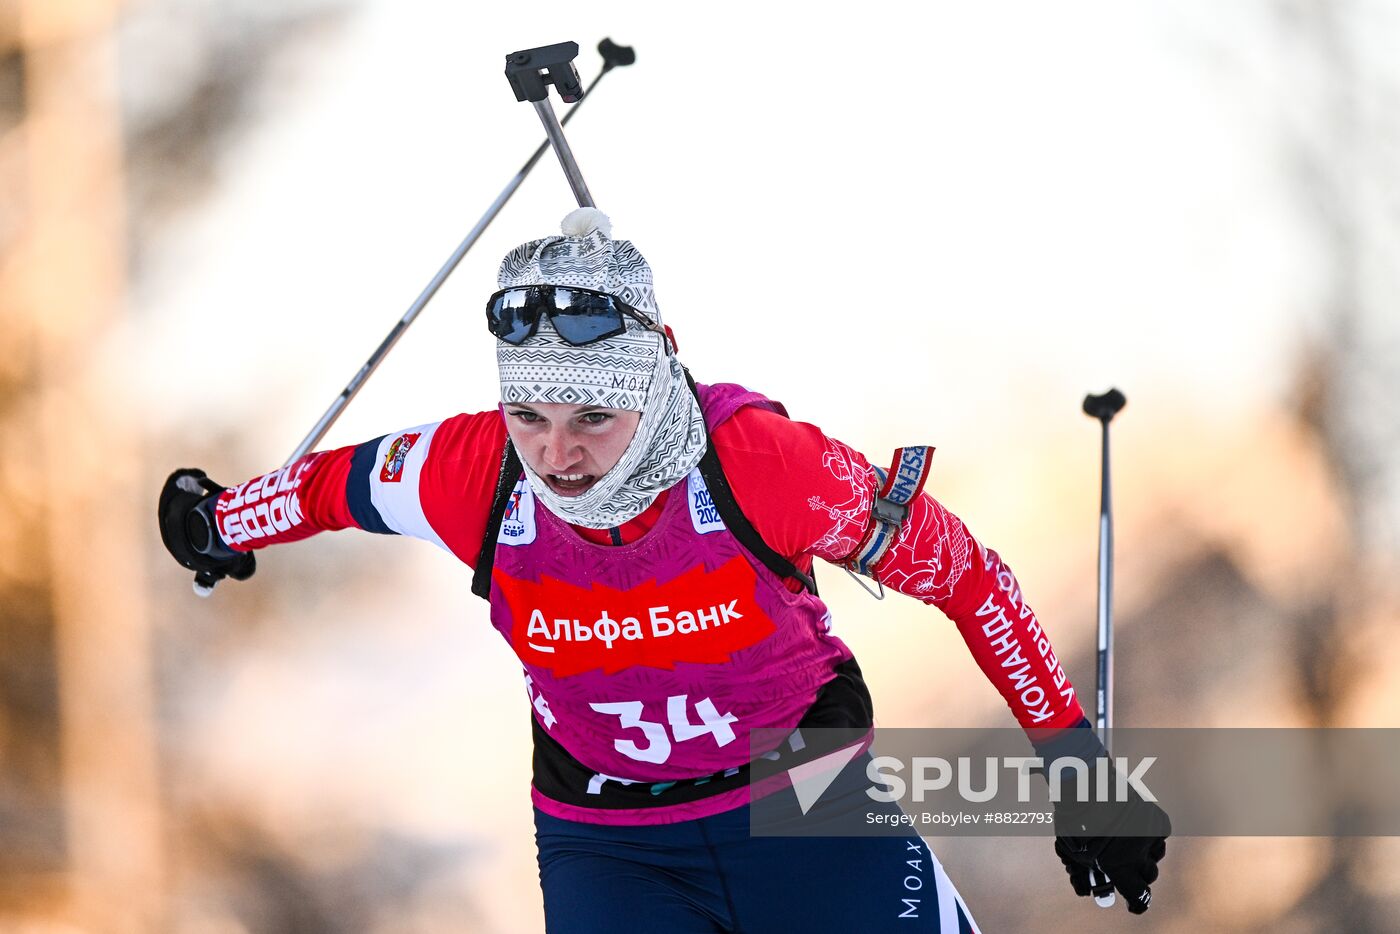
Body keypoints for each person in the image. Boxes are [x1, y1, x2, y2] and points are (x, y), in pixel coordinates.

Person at [159, 208, 1169, 932]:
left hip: (800, 792)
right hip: (607, 836)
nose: (558, 456)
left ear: (651, 378)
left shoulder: (762, 467)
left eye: (592, 418)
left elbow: (965, 577)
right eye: (532, 418)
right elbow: (325, 489)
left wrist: (1077, 769)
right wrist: (218, 521)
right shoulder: (474, 475)